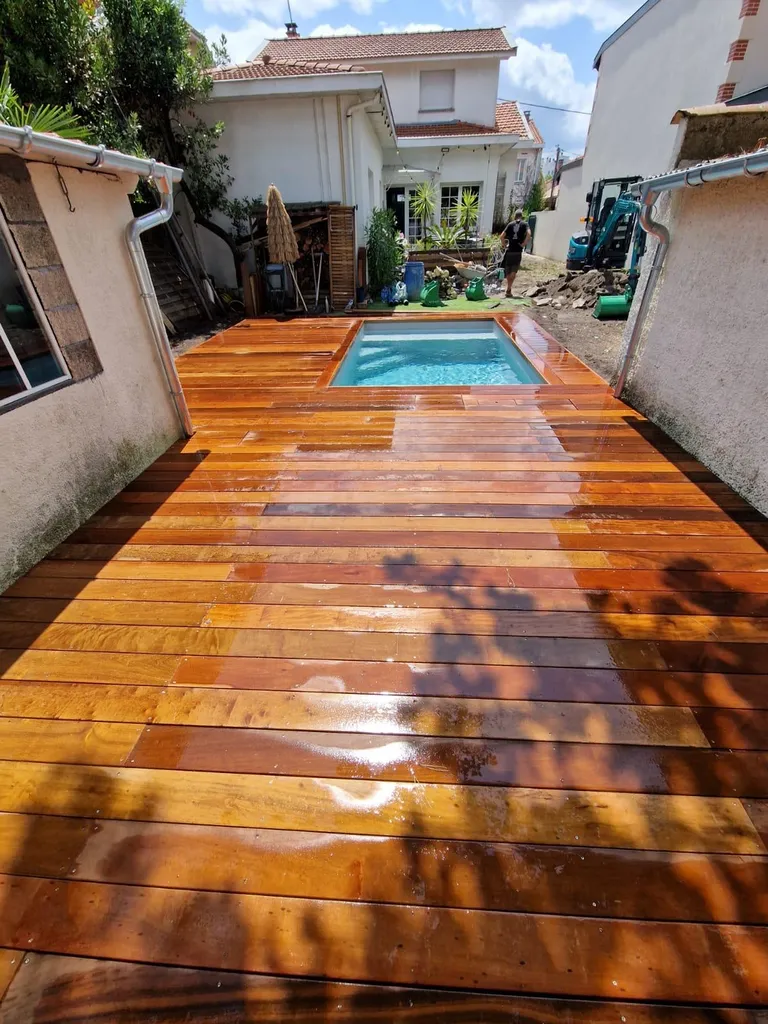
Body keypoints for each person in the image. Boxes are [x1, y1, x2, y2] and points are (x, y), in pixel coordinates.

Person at [502, 209, 530, 298]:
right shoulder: (525, 224)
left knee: (508, 270)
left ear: (514, 216)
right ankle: (509, 288)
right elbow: (529, 234)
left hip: (509, 251)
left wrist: (504, 246)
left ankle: (508, 288)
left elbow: (501, 236)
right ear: (521, 216)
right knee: (513, 271)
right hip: (517, 251)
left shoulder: (510, 224)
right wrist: (523, 244)